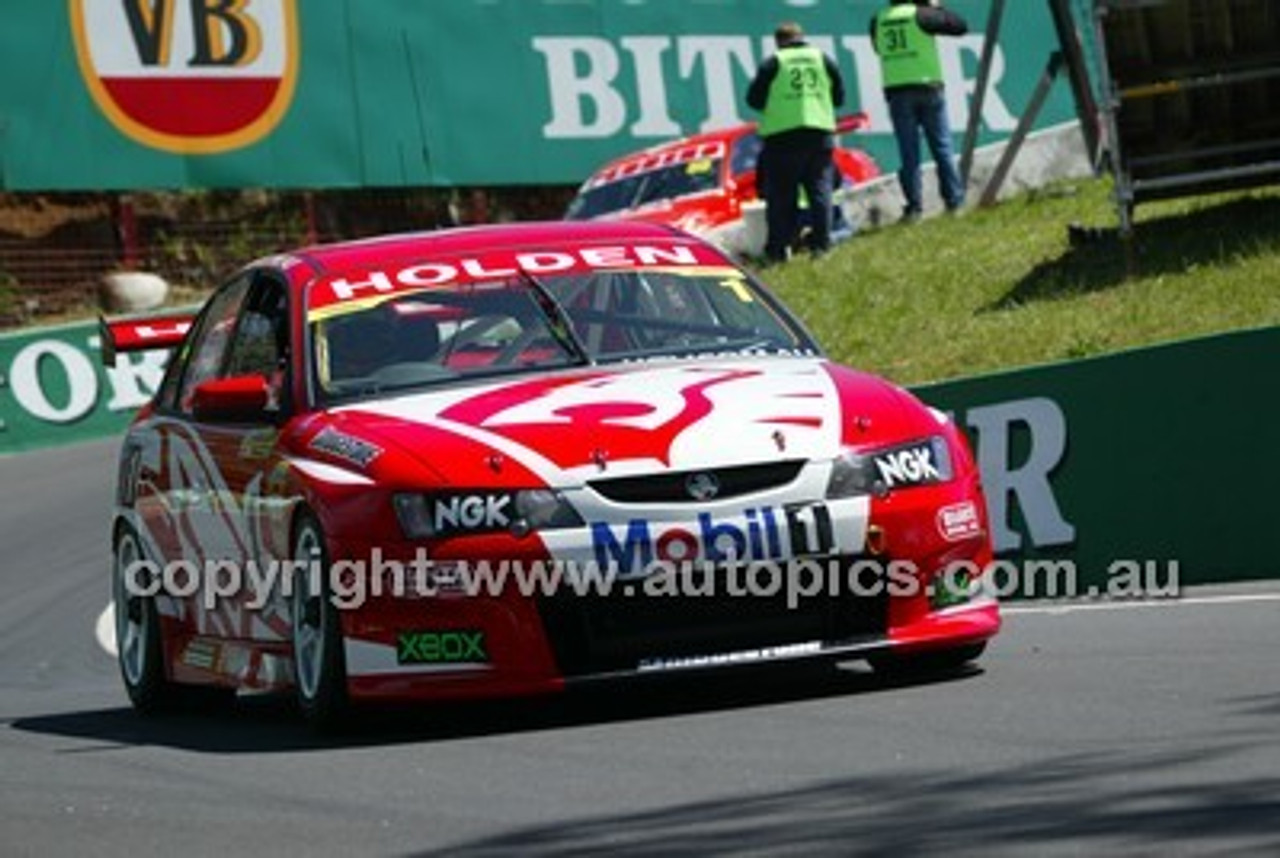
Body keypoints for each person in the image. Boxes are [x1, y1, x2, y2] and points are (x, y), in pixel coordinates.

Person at [746, 21, 845, 263]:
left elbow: (754, 100)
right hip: (819, 133)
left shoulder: (775, 62)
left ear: (779, 41)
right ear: (803, 37)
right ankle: (822, 246)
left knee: (781, 196)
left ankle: (778, 250)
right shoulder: (823, 59)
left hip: (783, 137)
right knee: (820, 192)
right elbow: (839, 96)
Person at [870, 0, 968, 221]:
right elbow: (960, 26)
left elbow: (878, 48)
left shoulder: (878, 19)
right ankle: (954, 202)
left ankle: (914, 208)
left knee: (909, 153)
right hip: (928, 86)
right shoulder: (922, 15)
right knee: (942, 147)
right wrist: (935, 7)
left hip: (898, 90)